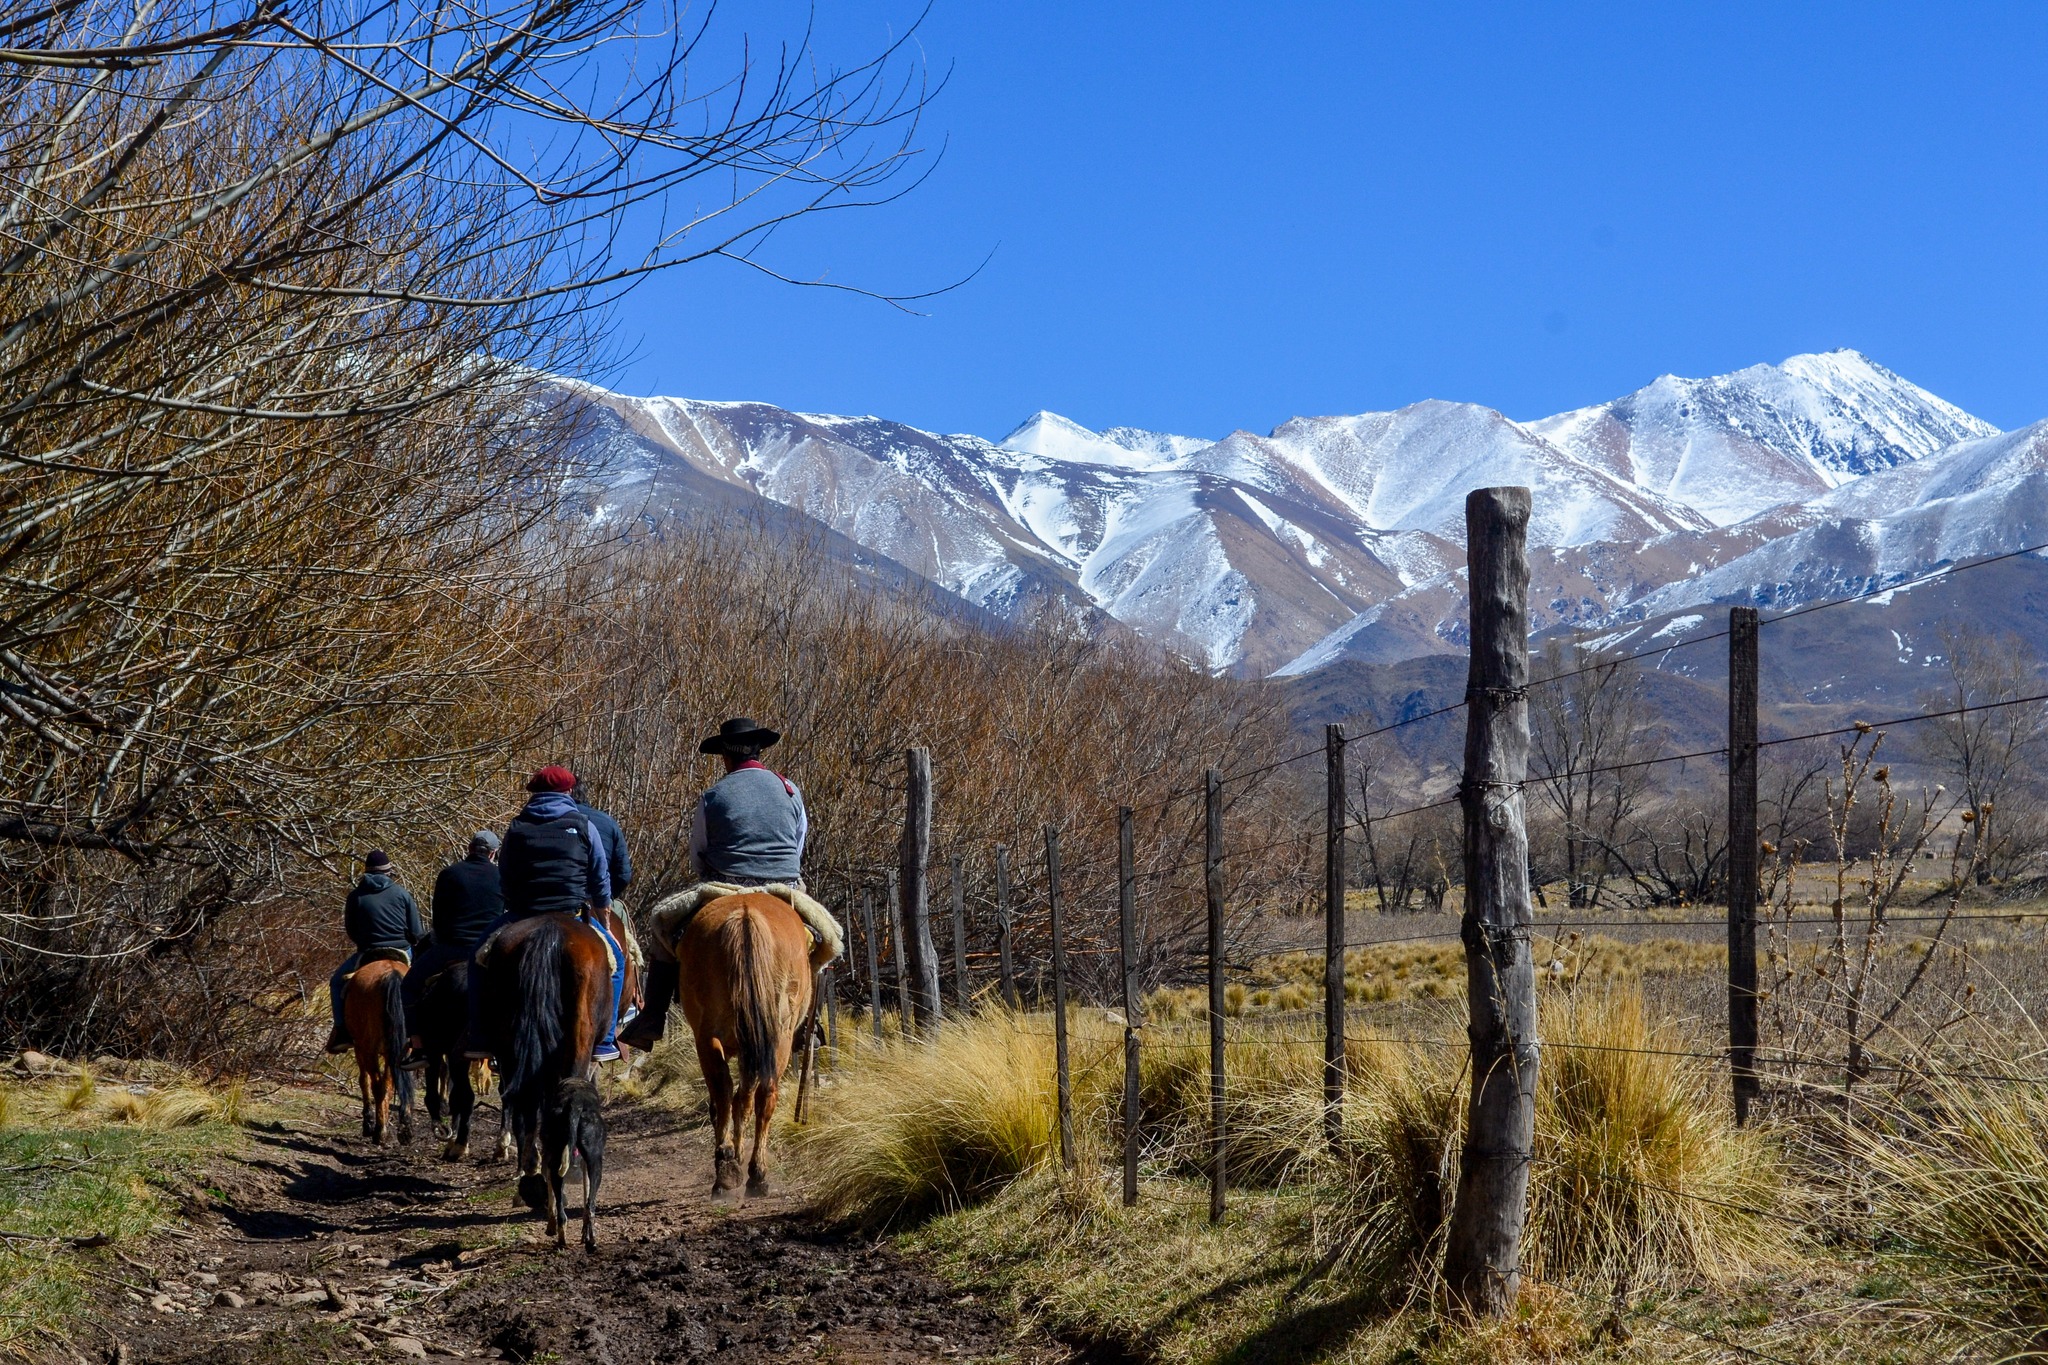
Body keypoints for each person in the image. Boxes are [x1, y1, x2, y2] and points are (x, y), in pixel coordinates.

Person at [617, 718, 807, 1051]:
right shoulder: (789, 790)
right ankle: (806, 1024)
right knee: (821, 939)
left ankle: (653, 1017)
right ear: (759, 751)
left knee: (663, 925)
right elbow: (798, 840)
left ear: (724, 756)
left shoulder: (714, 795)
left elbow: (698, 852)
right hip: (783, 887)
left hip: (725, 886)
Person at [464, 766, 627, 1062]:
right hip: (571, 911)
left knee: (477, 960)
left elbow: (506, 875)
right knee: (617, 960)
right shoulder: (584, 824)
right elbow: (600, 875)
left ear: (534, 793)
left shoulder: (516, 827)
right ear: (568, 793)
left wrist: (516, 903)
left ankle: (480, 1035)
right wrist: (602, 910)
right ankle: (604, 1039)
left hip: (522, 914)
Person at [399, 831, 503, 1060]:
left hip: (451, 948)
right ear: (494, 853)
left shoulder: (449, 874)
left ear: (469, 848)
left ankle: (417, 1045)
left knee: (408, 987)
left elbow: (439, 918)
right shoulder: (502, 876)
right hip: (487, 952)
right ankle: (501, 1049)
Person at [325, 850, 427, 1054]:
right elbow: (416, 931)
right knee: (424, 984)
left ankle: (341, 1030)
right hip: (401, 950)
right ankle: (423, 1033)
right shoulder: (402, 894)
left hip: (368, 951)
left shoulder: (355, 896)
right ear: (389, 872)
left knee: (336, 983)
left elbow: (351, 931)